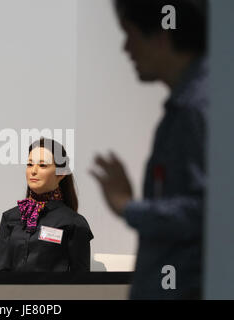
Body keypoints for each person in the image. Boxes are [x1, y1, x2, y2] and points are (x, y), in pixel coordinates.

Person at [90, 0, 208, 299]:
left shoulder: (197, 108)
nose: (126, 49)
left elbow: (209, 213)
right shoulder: (190, 106)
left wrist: (127, 206)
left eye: (130, 34)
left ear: (161, 35)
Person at [0, 138, 93, 272]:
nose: (33, 171)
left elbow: (81, 282)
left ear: (61, 173)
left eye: (42, 165)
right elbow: (1, 275)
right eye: (29, 164)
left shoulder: (74, 223)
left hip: (55, 292)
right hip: (13, 292)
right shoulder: (10, 218)